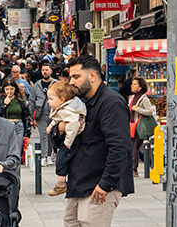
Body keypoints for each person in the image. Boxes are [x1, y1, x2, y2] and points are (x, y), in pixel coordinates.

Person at [65, 56, 133, 226]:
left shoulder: (111, 102)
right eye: (70, 77)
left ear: (93, 76)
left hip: (98, 187)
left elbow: (120, 147)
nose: (71, 82)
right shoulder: (79, 102)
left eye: (76, 77)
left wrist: (105, 184)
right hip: (77, 184)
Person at [46, 81, 86, 197]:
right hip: (69, 138)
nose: (49, 101)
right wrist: (51, 126)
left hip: (73, 140)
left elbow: (73, 125)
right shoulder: (64, 108)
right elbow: (57, 118)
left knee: (61, 160)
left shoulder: (69, 111)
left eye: (51, 99)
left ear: (62, 100)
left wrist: (68, 142)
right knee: (61, 159)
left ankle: (61, 183)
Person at [29, 62, 58, 166]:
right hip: (41, 113)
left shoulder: (56, 84)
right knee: (43, 135)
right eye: (43, 70)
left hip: (54, 113)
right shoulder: (36, 85)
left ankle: (49, 156)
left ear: (51, 71)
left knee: (51, 135)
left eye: (47, 70)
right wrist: (32, 117)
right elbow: (31, 101)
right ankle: (44, 156)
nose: (45, 72)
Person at [128, 78, 155, 176]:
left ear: (140, 87)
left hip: (140, 127)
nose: (132, 86)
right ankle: (152, 165)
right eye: (132, 84)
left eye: (134, 84)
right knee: (135, 147)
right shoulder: (132, 98)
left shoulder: (143, 98)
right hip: (133, 127)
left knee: (134, 147)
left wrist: (138, 109)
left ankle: (134, 170)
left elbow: (150, 111)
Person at [0, 77, 31, 143]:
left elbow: (26, 116)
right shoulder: (0, 100)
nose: (9, 91)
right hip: (6, 126)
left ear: (15, 89)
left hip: (19, 126)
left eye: (12, 89)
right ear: (3, 89)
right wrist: (4, 104)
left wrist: (27, 133)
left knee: (18, 149)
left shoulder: (20, 100)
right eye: (7, 89)